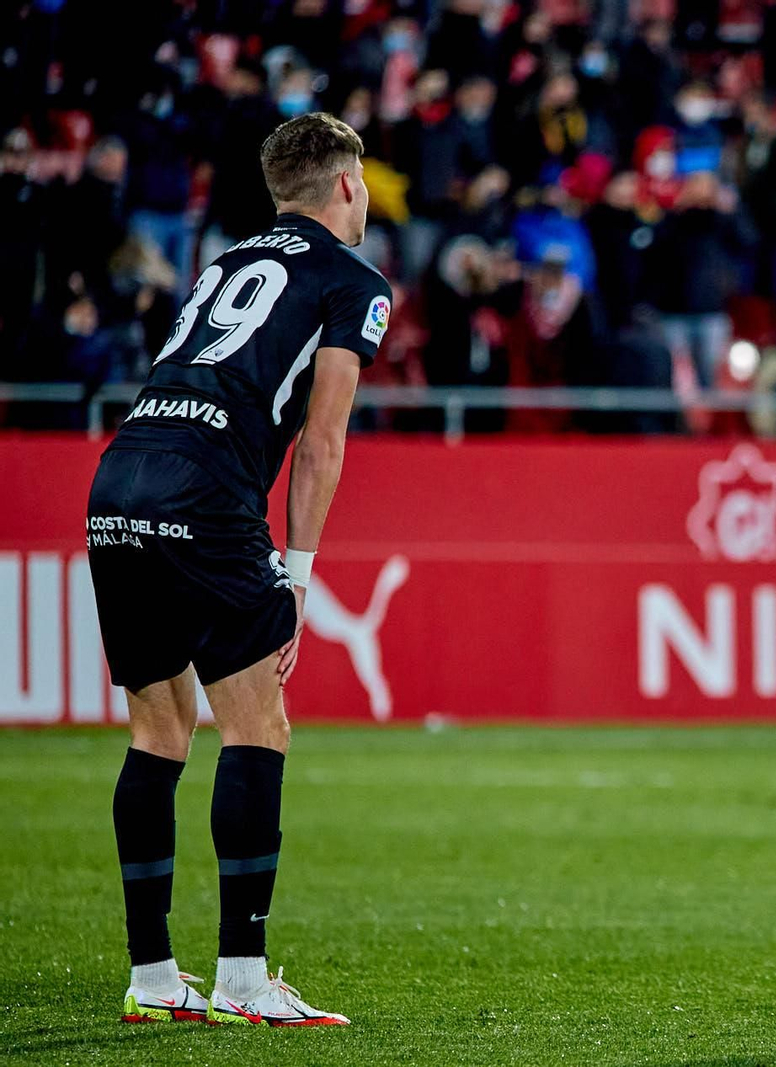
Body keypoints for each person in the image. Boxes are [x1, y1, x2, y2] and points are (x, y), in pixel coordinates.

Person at [86, 112, 391, 1027]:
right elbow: (323, 441)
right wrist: (295, 573)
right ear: (346, 185)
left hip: (121, 473)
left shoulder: (221, 262)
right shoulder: (353, 279)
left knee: (159, 728)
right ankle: (245, 978)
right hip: (208, 491)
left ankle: (151, 977)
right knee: (259, 724)